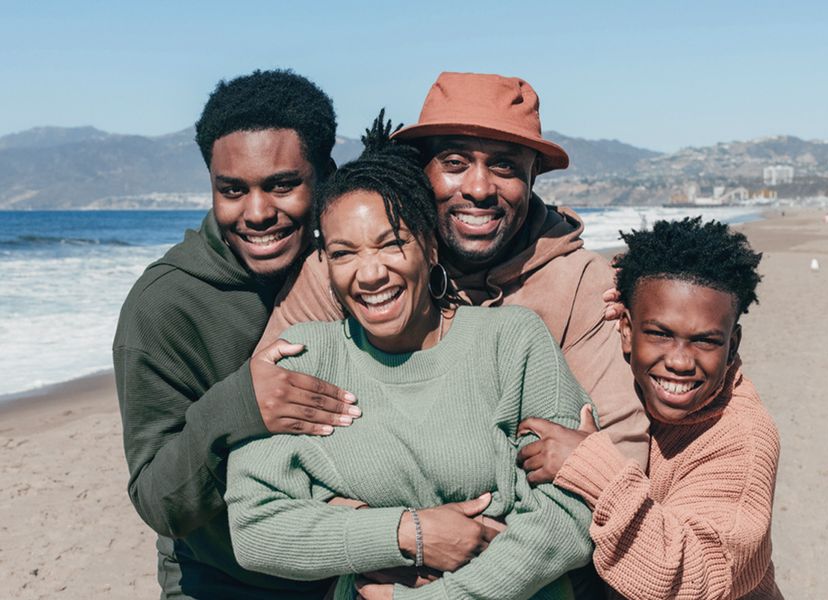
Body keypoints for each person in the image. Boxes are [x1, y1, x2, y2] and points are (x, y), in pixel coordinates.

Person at [225, 116, 593, 600]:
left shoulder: (512, 343)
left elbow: (568, 515)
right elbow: (255, 529)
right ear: (326, 265)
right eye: (343, 253)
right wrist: (407, 533)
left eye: (392, 243)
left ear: (430, 245)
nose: (370, 273)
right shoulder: (305, 357)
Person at [261, 71, 650, 472]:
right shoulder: (348, 268)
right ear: (420, 169)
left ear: (532, 177)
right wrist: (392, 527)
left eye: (504, 166)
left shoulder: (581, 285)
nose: (479, 188)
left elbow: (619, 455)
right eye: (455, 163)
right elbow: (270, 417)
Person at [113, 70, 363, 598]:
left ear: (324, 176)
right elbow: (158, 501)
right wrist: (241, 407)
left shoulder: (362, 271)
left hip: (358, 568)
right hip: (225, 580)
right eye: (233, 190)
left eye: (282, 185)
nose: (257, 213)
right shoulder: (164, 306)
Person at [517, 218, 783, 599]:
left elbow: (692, 578)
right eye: (660, 333)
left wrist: (591, 466)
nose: (679, 361)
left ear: (733, 345)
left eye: (705, 341)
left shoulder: (741, 436)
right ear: (625, 329)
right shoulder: (625, 374)